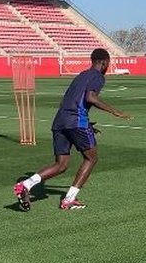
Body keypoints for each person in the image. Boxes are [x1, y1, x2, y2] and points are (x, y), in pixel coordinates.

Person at [13, 48, 131, 211]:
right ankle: (69, 199)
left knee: (61, 165)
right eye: (108, 63)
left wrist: (86, 123)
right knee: (91, 158)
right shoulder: (98, 77)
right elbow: (90, 97)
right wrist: (114, 111)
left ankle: (25, 185)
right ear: (104, 62)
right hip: (76, 121)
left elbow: (69, 99)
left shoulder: (81, 75)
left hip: (60, 121)